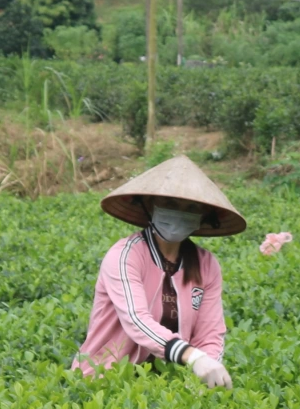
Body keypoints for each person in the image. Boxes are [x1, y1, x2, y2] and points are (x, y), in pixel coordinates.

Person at [74, 155, 239, 388]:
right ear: (151, 205)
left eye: (191, 207)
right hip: (106, 380)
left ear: (202, 216)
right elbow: (136, 320)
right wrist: (193, 356)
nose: (180, 213)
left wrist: (207, 366)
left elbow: (210, 332)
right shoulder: (125, 255)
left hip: (168, 386)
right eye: (171, 204)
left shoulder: (206, 264)